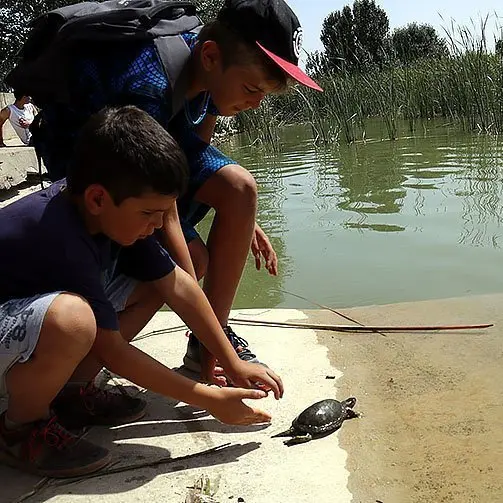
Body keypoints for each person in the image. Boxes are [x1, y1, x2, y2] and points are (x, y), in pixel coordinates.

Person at [29, 0, 322, 382]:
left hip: (154, 149)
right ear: (212, 56)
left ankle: (206, 348)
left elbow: (196, 148)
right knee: (192, 262)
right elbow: (155, 186)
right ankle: (77, 382)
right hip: (101, 165)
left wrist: (244, 219)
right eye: (251, 89)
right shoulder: (148, 81)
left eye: (263, 95)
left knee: (240, 189)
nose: (255, 103)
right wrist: (192, 294)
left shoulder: (210, 71)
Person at [0, 106, 283, 478]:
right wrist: (210, 399)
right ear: (99, 199)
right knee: (73, 321)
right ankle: (19, 429)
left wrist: (231, 361)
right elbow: (112, 350)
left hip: (19, 322)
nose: (157, 225)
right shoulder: (60, 233)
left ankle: (71, 392)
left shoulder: (111, 217)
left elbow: (179, 285)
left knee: (154, 283)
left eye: (164, 214)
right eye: (151, 213)